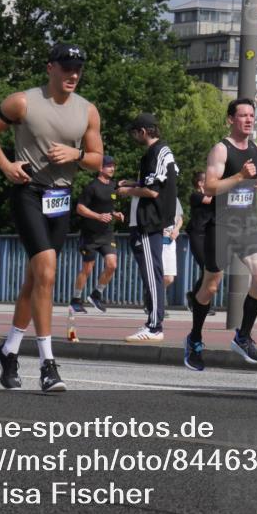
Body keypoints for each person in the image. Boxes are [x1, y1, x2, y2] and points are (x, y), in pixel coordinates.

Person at [0, 42, 103, 392]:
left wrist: (75, 154)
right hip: (28, 193)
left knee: (36, 281)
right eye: (66, 68)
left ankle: (8, 351)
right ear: (50, 68)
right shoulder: (23, 102)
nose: (73, 74)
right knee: (47, 270)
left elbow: (97, 159)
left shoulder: (88, 111)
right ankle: (48, 364)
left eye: (78, 68)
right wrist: (5, 165)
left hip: (60, 199)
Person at [183, 98, 257, 371]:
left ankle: (242, 337)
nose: (248, 119)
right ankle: (195, 338)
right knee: (210, 286)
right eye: (242, 115)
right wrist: (239, 176)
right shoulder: (221, 150)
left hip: (247, 225)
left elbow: (252, 179)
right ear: (230, 119)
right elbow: (209, 187)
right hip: (221, 226)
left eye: (251, 115)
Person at [119, 113, 179, 342]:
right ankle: (154, 323)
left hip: (148, 220)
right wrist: (133, 183)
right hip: (157, 220)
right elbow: (158, 184)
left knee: (152, 274)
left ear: (143, 131)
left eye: (134, 133)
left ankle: (154, 326)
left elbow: (153, 191)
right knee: (153, 273)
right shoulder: (165, 152)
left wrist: (127, 191)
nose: (134, 137)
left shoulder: (154, 153)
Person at [71, 155, 124, 314]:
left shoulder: (113, 186)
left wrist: (115, 214)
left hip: (107, 234)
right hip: (90, 235)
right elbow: (80, 208)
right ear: (101, 168)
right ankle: (76, 300)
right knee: (88, 268)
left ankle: (96, 295)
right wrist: (98, 216)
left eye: (113, 165)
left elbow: (107, 208)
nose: (112, 168)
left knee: (112, 265)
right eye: (109, 166)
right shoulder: (91, 187)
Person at [185, 171, 217, 316]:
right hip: (197, 234)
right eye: (208, 180)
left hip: (209, 235)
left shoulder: (212, 196)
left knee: (211, 270)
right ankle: (199, 300)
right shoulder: (196, 195)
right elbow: (210, 201)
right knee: (206, 267)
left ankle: (196, 297)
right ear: (200, 183)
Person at [162, 198, 184, 292]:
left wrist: (177, 229)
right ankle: (154, 300)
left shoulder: (174, 198)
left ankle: (152, 295)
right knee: (158, 274)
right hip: (156, 240)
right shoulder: (154, 194)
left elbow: (180, 218)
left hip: (170, 241)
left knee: (169, 278)